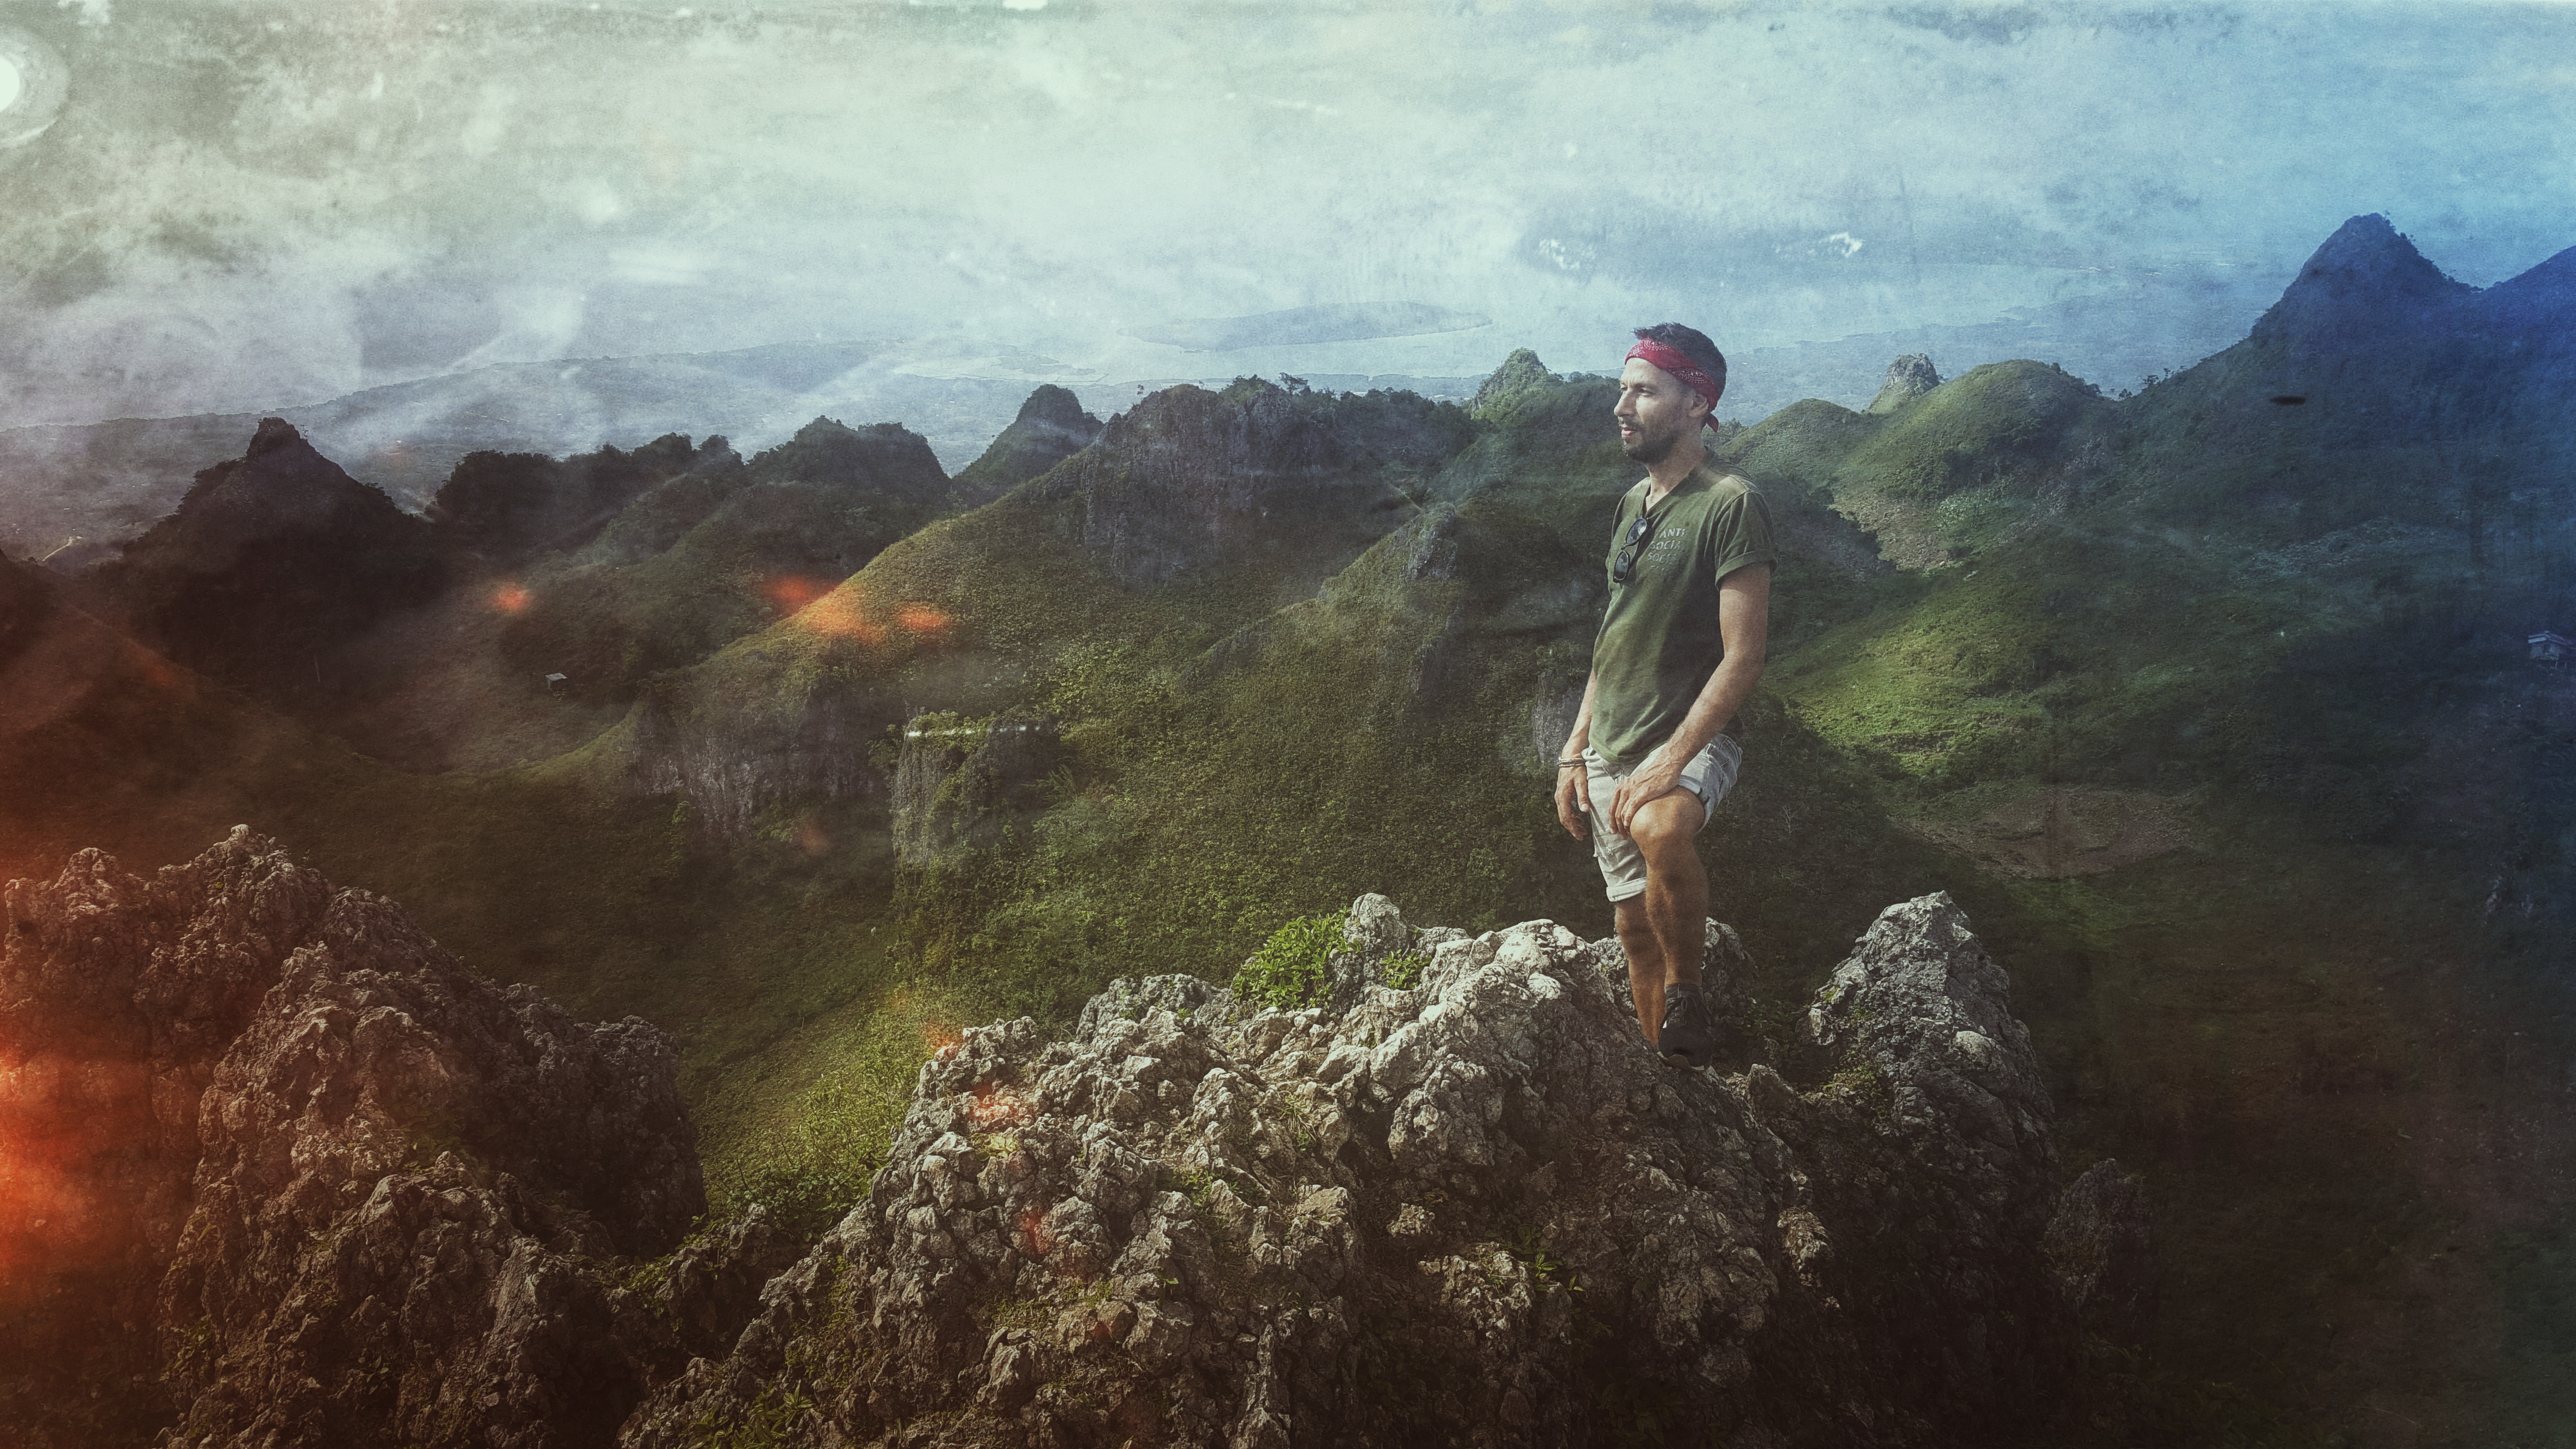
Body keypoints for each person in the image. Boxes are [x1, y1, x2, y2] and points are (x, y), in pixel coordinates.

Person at [1553, 323, 1774, 1070]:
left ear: (1694, 403)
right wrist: (1572, 752)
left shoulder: (1731, 503)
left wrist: (1668, 758)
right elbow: (1610, 640)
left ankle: (1688, 993)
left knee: (1660, 826)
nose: (1622, 405)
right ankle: (1673, 1067)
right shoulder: (1630, 507)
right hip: (1609, 742)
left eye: (1642, 391)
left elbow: (1743, 657)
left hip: (1689, 734)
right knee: (1630, 930)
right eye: (1623, 389)